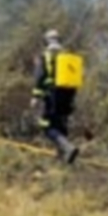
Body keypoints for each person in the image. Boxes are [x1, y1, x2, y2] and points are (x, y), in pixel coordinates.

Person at [31, 29, 80, 164]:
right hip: (68, 95)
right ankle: (63, 158)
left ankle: (67, 147)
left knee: (47, 126)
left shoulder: (45, 56)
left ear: (46, 41)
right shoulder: (66, 55)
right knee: (61, 124)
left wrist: (35, 96)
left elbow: (40, 77)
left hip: (52, 95)